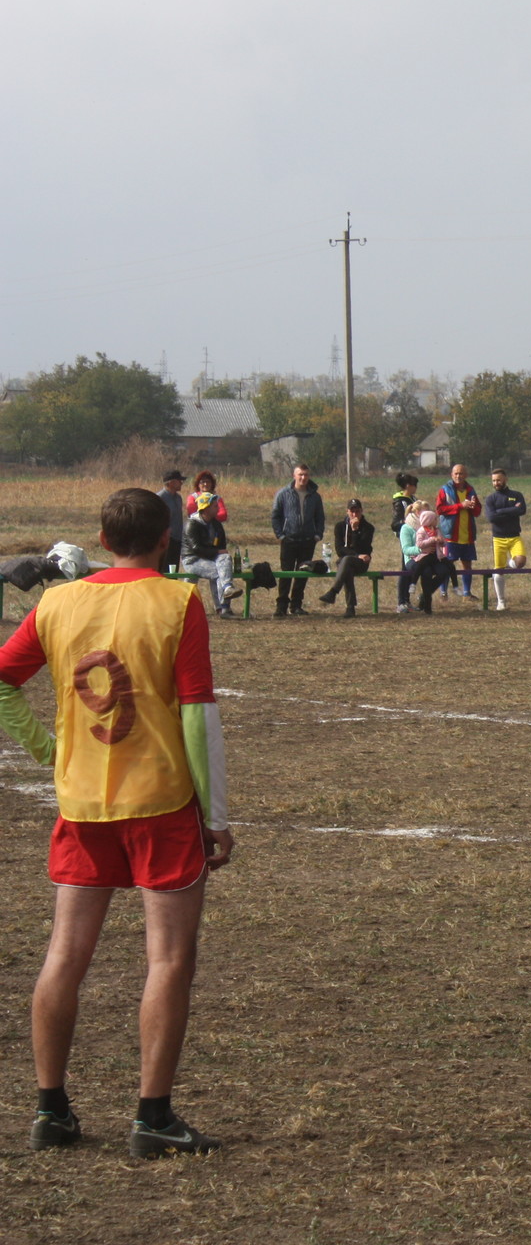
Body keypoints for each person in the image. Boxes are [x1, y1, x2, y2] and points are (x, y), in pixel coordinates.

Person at [0, 487, 233, 1157]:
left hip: (81, 804)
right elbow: (198, 713)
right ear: (166, 541)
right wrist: (215, 813)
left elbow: (2, 680)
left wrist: (49, 751)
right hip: (159, 803)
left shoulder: (56, 601)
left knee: (64, 956)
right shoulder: (178, 601)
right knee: (168, 959)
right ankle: (152, 1117)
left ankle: (51, 1109)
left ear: (101, 540)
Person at [270, 462, 326, 617]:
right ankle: (281, 606)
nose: (303, 477)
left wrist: (317, 535)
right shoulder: (283, 494)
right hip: (289, 539)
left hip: (308, 540)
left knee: (303, 574)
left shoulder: (315, 496)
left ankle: (296, 605)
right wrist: (280, 535)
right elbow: (275, 516)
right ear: (294, 475)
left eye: (306, 474)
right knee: (286, 573)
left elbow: (320, 517)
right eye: (300, 474)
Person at [179, 492, 242, 619]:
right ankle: (224, 609)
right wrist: (217, 552)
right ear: (206, 508)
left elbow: (222, 545)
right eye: (214, 506)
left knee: (224, 560)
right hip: (193, 560)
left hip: (210, 558)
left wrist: (220, 553)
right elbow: (196, 549)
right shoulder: (192, 524)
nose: (218, 508)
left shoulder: (216, 524)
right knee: (221, 573)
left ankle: (227, 589)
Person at [317, 498, 375, 617]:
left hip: (362, 563)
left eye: (357, 511)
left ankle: (333, 592)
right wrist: (356, 555)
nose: (354, 514)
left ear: (361, 511)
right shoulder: (340, 526)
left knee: (346, 562)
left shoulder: (368, 528)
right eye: (352, 511)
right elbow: (340, 550)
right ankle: (350, 608)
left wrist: (355, 531)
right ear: (347, 511)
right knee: (347, 566)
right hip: (346, 561)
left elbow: (363, 548)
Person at [483, 468, 529, 612]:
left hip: (515, 537)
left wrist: (500, 512)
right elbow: (491, 518)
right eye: (494, 480)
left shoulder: (516, 495)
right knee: (498, 571)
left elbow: (522, 510)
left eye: (499, 480)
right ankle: (501, 602)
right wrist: (511, 510)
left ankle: (510, 564)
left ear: (505, 479)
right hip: (498, 539)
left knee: (520, 561)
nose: (496, 483)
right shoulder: (491, 499)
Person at [436, 463, 483, 599]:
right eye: (456, 473)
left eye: (461, 473)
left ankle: (467, 593)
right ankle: (443, 592)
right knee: (447, 565)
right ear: (451, 475)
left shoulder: (470, 490)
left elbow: (477, 512)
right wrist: (460, 506)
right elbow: (440, 510)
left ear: (466, 475)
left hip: (467, 534)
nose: (458, 476)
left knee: (467, 564)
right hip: (450, 535)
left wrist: (473, 507)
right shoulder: (445, 490)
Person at [399, 503, 449, 614]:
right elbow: (406, 550)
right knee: (426, 571)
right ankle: (427, 605)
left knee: (444, 571)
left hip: (431, 558)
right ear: (418, 513)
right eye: (425, 512)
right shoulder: (406, 528)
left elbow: (441, 542)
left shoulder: (432, 527)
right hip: (413, 559)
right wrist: (421, 550)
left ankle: (425, 595)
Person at [156, 469, 186, 573]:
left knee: (174, 571)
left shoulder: (178, 498)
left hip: (177, 540)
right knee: (163, 570)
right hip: (165, 540)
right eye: (179, 481)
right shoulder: (159, 498)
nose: (181, 483)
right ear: (171, 482)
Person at [390, 473, 419, 538]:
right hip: (406, 535)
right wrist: (408, 521)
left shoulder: (413, 499)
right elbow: (395, 525)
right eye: (415, 485)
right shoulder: (400, 502)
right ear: (408, 486)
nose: (416, 488)